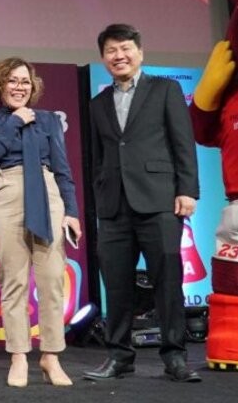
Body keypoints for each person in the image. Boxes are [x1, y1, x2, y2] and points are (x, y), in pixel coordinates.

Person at [84, 23, 201, 383]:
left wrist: (187, 190)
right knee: (117, 285)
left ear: (140, 52)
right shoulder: (98, 103)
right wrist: (99, 199)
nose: (118, 56)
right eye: (111, 51)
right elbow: (97, 158)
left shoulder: (165, 89)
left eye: (125, 49)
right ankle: (119, 357)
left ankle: (175, 356)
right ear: (103, 58)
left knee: (167, 281)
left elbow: (183, 143)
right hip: (113, 207)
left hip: (160, 201)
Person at [0, 57, 81, 388]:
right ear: (0, 84)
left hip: (47, 194)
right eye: (13, 80)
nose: (19, 87)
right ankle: (18, 356)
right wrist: (15, 122)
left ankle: (51, 356)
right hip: (7, 193)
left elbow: (62, 168)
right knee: (14, 281)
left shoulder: (48, 120)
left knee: (52, 279)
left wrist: (72, 211)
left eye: (25, 82)